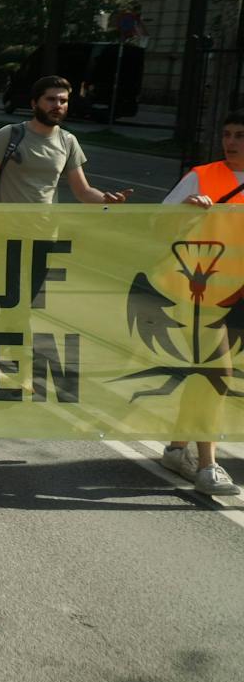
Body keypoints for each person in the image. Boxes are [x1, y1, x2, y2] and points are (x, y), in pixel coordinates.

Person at [157, 111, 243, 495]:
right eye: (227, 134)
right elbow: (158, 224)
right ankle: (209, 464)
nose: (231, 142)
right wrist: (186, 213)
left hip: (241, 294)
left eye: (240, 135)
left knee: (206, 377)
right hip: (205, 291)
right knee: (217, 373)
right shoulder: (202, 175)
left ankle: (178, 447)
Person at [0, 76, 131, 205]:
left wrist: (106, 200)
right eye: (51, 99)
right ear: (34, 104)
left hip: (45, 231)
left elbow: (82, 191)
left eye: (63, 101)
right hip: (6, 231)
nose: (57, 105)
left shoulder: (68, 141)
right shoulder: (9, 134)